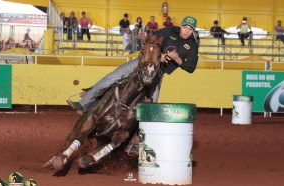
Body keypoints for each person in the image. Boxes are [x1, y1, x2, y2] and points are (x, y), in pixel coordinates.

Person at [67, 16, 199, 114]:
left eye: (190, 29)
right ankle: (84, 104)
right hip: (143, 62)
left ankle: (140, 138)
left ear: (193, 31)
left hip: (158, 72)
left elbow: (191, 67)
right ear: (181, 26)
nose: (187, 31)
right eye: (185, 27)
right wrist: (160, 54)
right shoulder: (170, 30)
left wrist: (177, 59)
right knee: (111, 77)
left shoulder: (192, 46)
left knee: (151, 103)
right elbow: (154, 41)